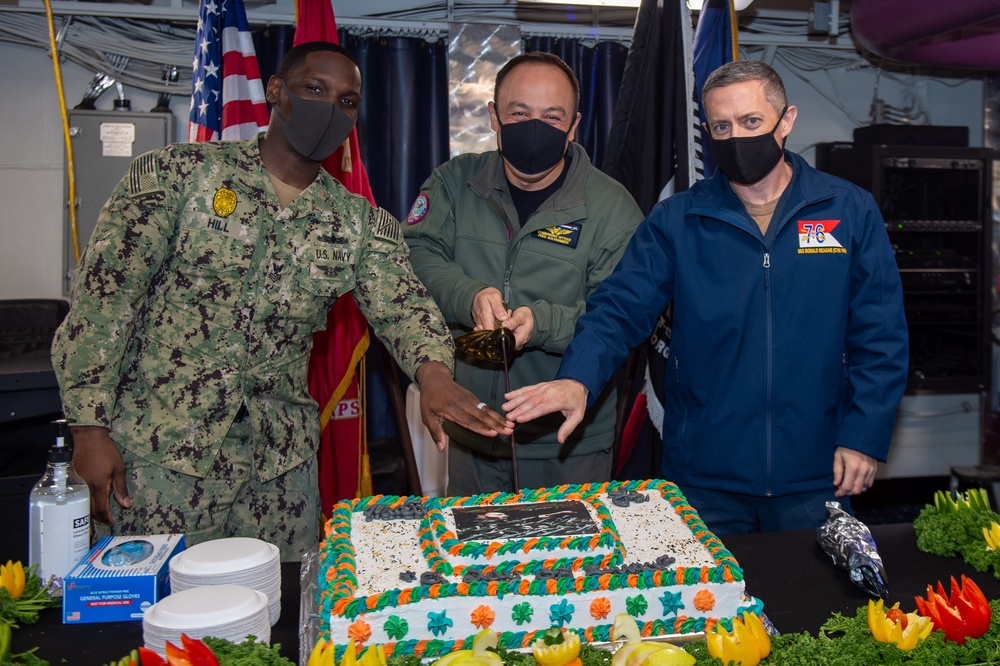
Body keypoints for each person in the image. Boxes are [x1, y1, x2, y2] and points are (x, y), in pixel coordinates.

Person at [51, 41, 512, 561]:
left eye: (347, 102)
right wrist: (88, 428)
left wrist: (432, 374)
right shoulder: (178, 176)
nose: (330, 109)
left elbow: (405, 308)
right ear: (276, 91)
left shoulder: (356, 221)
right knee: (150, 621)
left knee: (275, 621)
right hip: (159, 458)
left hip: (279, 474)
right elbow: (103, 304)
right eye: (314, 89)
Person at [503, 60, 908, 534]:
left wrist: (863, 437)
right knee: (706, 606)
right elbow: (618, 309)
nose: (736, 137)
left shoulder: (848, 209)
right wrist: (577, 379)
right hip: (704, 477)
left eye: (751, 122)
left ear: (787, 121)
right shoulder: (679, 219)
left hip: (815, 473)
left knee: (812, 604)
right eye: (721, 126)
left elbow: (880, 336)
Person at [402, 52, 643, 495]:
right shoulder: (456, 182)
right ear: (494, 116)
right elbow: (414, 254)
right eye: (520, 113)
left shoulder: (612, 208)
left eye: (553, 117)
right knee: (474, 563)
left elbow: (620, 314)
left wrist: (541, 323)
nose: (536, 128)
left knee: (567, 564)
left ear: (574, 125)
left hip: (566, 443)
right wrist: (467, 294)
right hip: (472, 429)